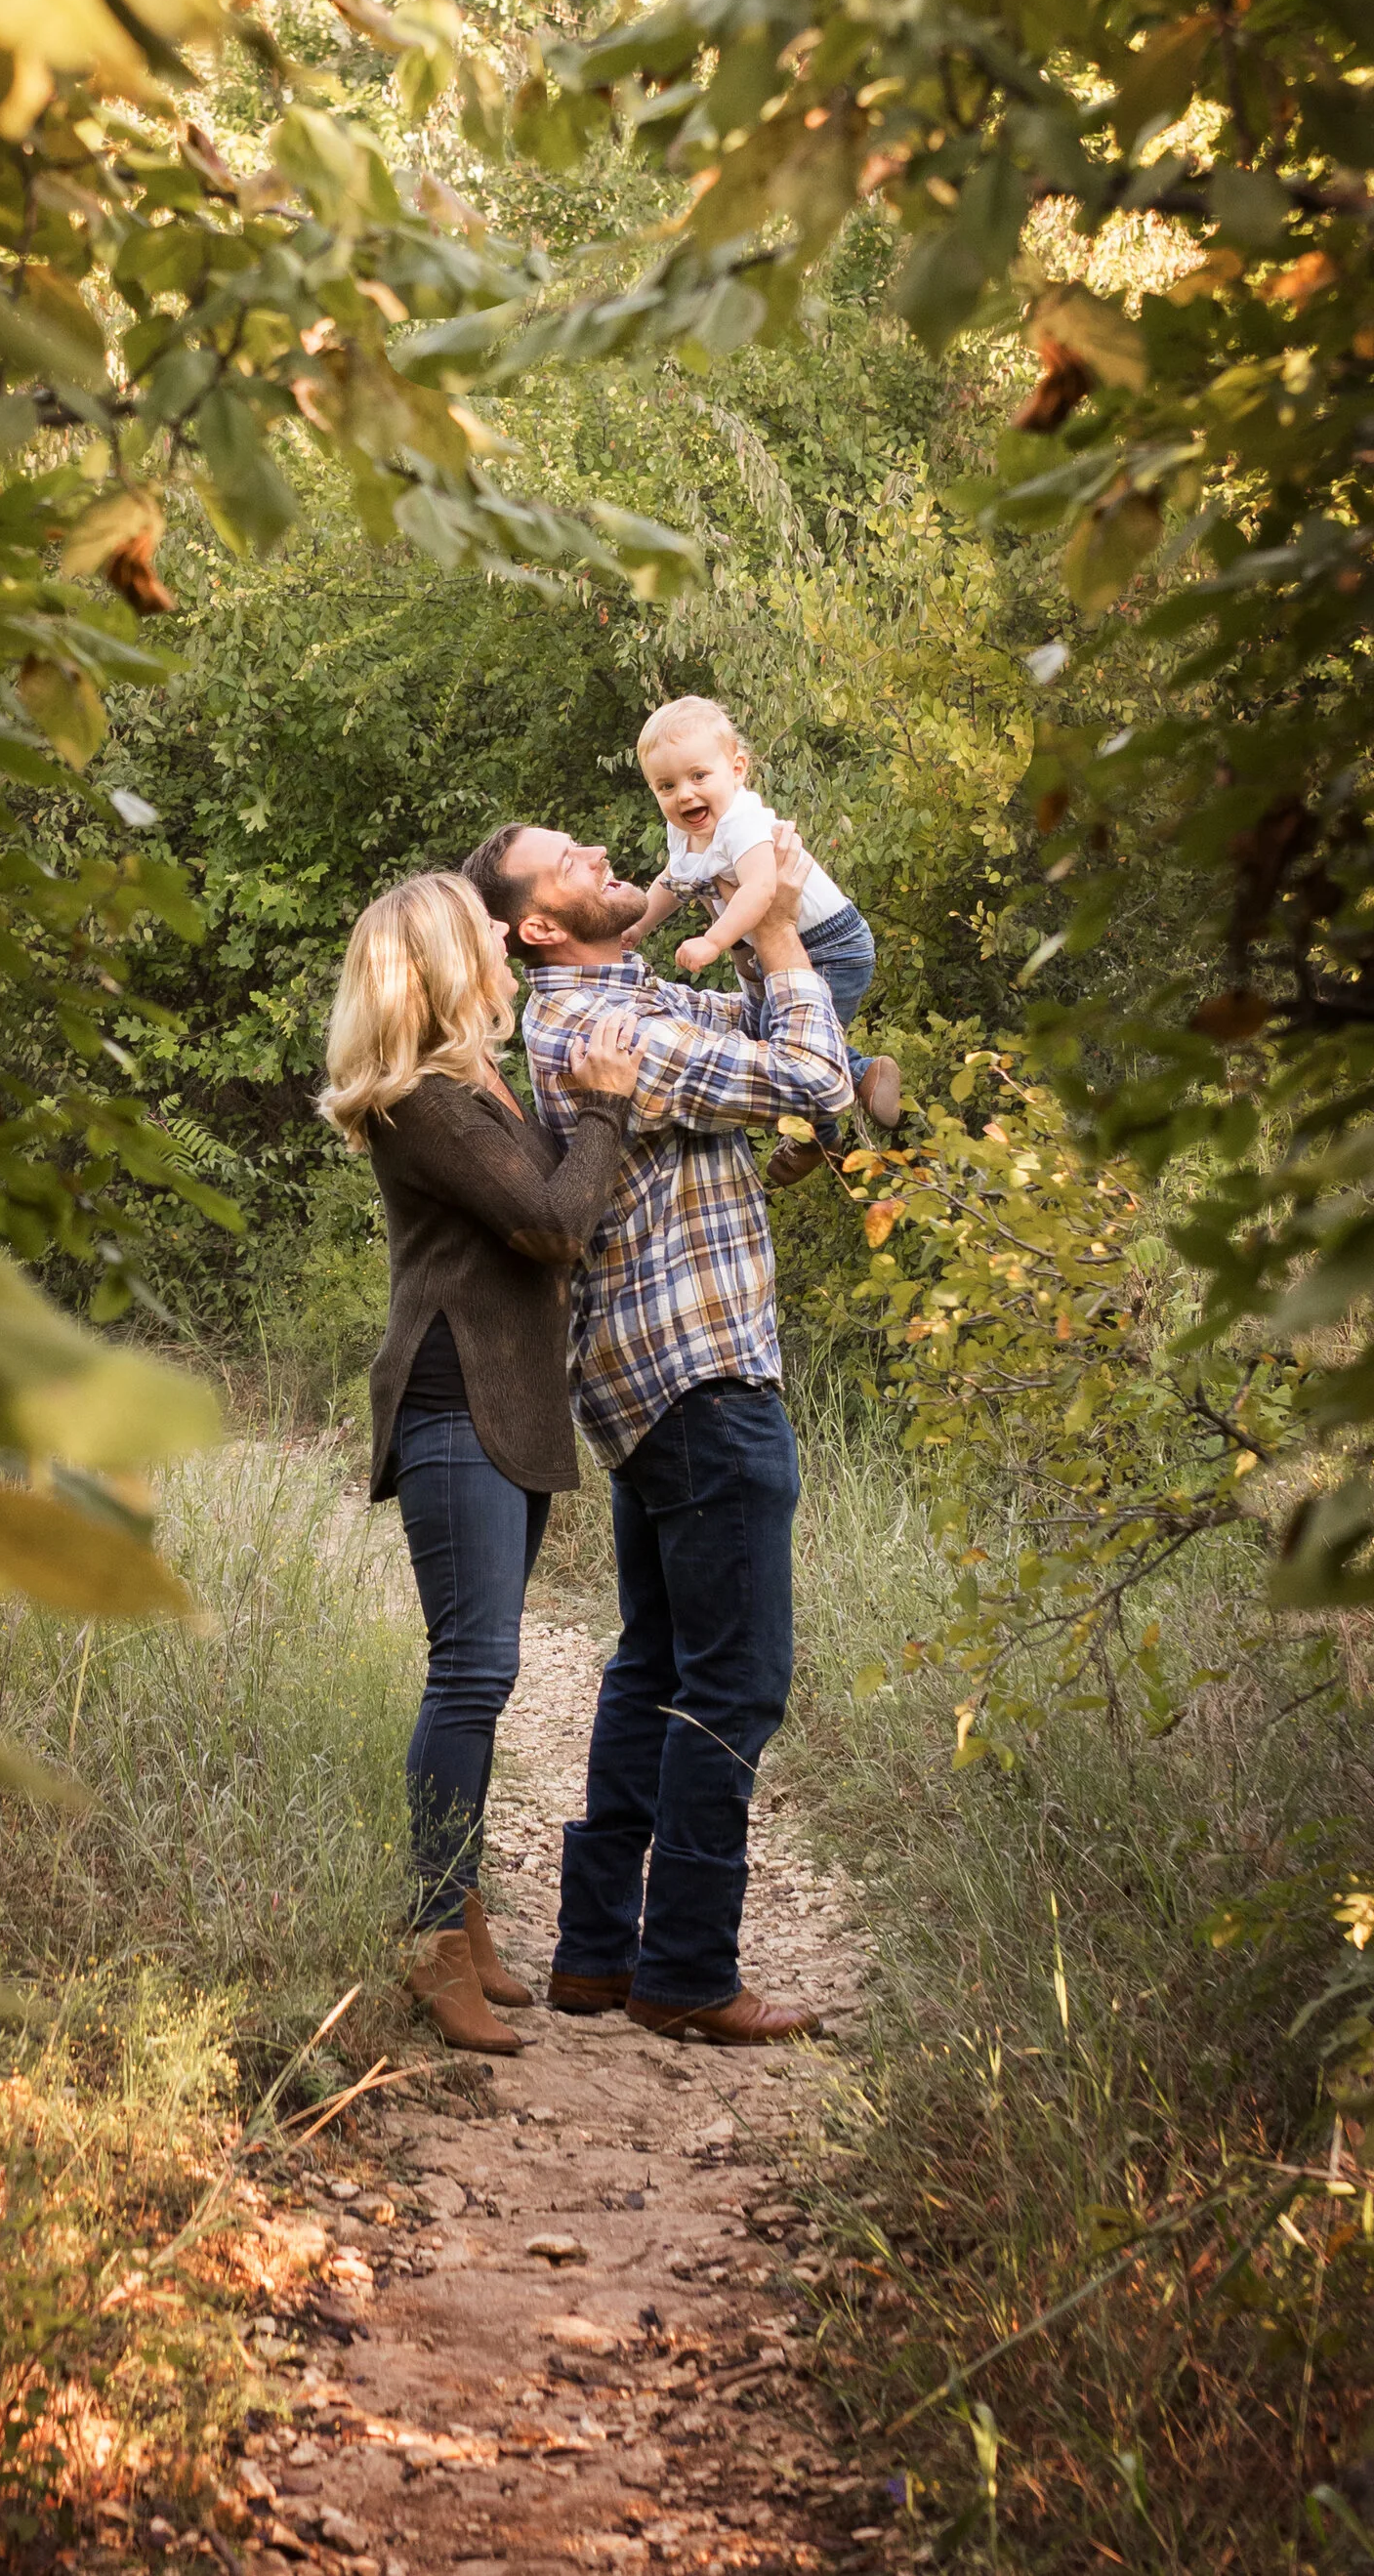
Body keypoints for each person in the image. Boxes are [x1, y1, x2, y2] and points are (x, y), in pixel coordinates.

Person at [461, 816, 848, 2044]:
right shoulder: (609, 1030)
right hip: (699, 1375)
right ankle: (684, 1969)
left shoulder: (615, 1003)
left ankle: (596, 1956)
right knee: (732, 1680)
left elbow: (765, 1038)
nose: (602, 856)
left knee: (652, 1665)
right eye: (571, 861)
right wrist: (778, 927)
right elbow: (813, 1079)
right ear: (536, 926)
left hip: (653, 1381)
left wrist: (743, 935)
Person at [318, 870, 644, 2057]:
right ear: (452, 960)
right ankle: (428, 1943)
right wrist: (604, 1110)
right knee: (471, 1671)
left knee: (484, 1676)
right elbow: (556, 1221)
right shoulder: (420, 1100)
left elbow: (559, 1211)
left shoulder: (473, 1083)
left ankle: (465, 1922)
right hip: (454, 1398)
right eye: (488, 937)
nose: (510, 946)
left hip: (503, 1400)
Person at [618, 695, 899, 1165]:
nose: (684, 794)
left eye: (699, 776)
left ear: (738, 770)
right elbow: (674, 878)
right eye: (666, 786)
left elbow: (761, 889)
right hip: (793, 944)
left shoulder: (741, 821)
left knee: (786, 1042)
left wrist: (713, 940)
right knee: (772, 1038)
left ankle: (822, 1131)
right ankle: (862, 1079)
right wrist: (641, 923)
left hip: (832, 944)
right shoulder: (686, 830)